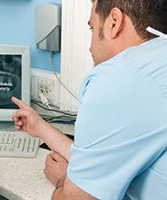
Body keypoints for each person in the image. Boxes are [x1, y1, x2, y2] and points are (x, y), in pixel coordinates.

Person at [12, 0, 167, 199]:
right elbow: (101, 155)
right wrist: (40, 127)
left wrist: (62, 179)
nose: (90, 47)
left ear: (114, 22)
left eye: (92, 28)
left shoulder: (118, 77)